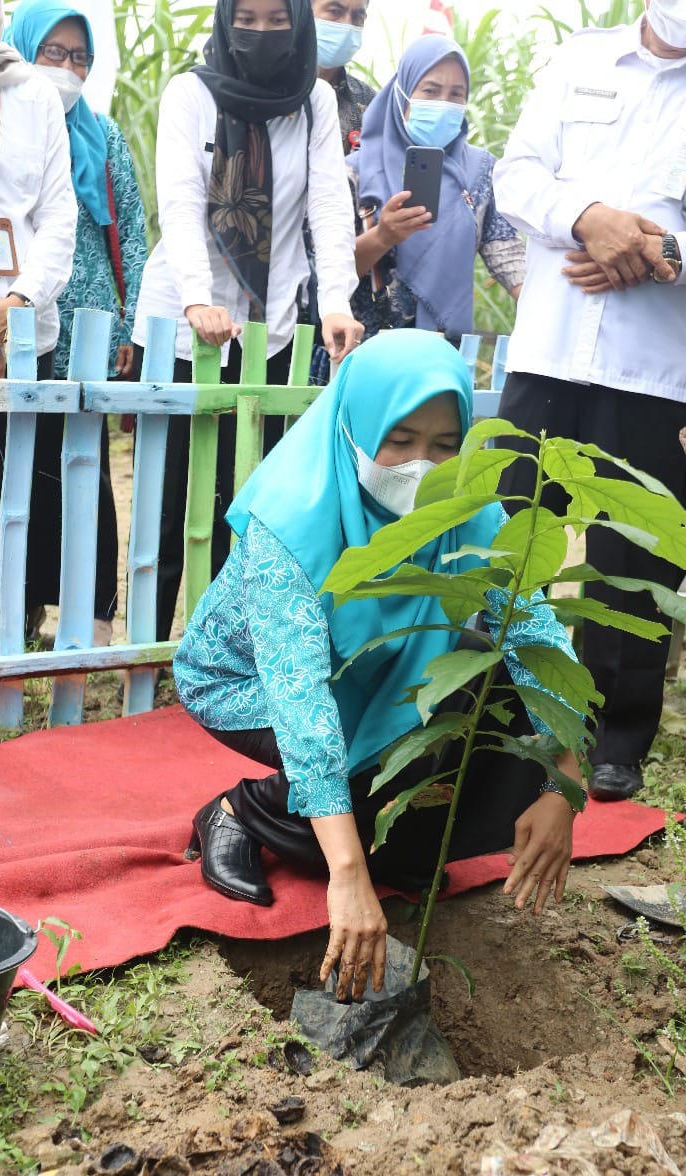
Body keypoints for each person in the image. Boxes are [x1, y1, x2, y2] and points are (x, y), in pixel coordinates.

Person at [173, 330, 586, 1001]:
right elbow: (299, 696)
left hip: (376, 674)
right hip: (248, 682)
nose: (421, 465)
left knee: (488, 687)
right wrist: (347, 873)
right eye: (400, 439)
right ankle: (243, 812)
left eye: (444, 444)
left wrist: (561, 787)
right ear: (355, 423)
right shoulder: (293, 518)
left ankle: (393, 840)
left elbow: (536, 632)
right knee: (351, 768)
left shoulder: (466, 506)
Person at [492, 0, 686, 802]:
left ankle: (617, 738)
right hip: (548, 346)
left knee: (633, 555)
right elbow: (518, 174)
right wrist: (589, 220)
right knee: (508, 524)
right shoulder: (581, 60)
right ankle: (496, 710)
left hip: (657, 366)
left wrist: (653, 251)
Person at [133, 0, 362, 642]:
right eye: (248, 19)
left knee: (252, 498)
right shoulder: (191, 93)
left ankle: (227, 652)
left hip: (273, 327)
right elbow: (179, 200)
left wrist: (338, 301)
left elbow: (328, 205)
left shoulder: (313, 102)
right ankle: (152, 648)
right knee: (171, 491)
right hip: (185, 322)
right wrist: (199, 298)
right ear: (226, 21)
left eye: (277, 20)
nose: (261, 34)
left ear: (299, 25)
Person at [6, 0, 147, 648]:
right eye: (52, 54)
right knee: (22, 473)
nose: (66, 69)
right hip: (23, 323)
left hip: (91, 328)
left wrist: (128, 328)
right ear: (21, 50)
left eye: (78, 58)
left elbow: (134, 233)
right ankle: (24, 607)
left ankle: (94, 612)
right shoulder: (4, 126)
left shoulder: (104, 135)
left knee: (87, 470)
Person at [0, 0, 76, 656]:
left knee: (5, 495)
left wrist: (19, 300)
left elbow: (58, 214)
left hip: (21, 327)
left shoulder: (33, 92)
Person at [347, 34, 525, 341]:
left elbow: (508, 257)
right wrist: (382, 237)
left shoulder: (481, 171)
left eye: (457, 94)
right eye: (430, 91)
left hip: (443, 352)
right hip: (363, 348)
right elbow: (326, 272)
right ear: (401, 92)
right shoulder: (356, 172)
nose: (444, 103)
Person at [312, 0, 374, 153]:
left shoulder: (368, 101)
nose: (347, 25)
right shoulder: (275, 90)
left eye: (357, 17)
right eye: (335, 12)